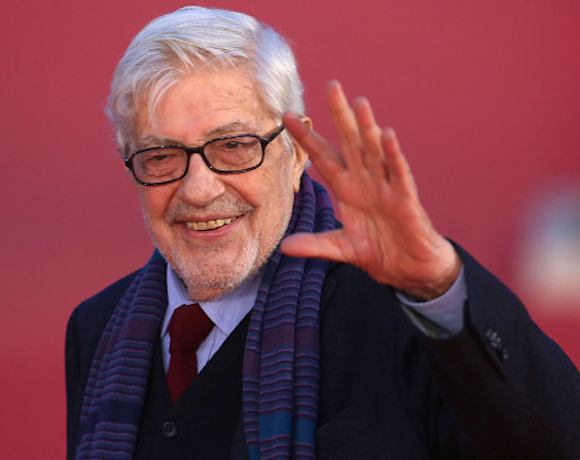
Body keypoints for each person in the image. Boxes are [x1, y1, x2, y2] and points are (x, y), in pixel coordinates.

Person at [65, 6, 580, 459]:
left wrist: (438, 287)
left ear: (298, 151)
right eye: (161, 156)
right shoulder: (96, 329)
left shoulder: (400, 312)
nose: (198, 189)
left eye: (235, 146)